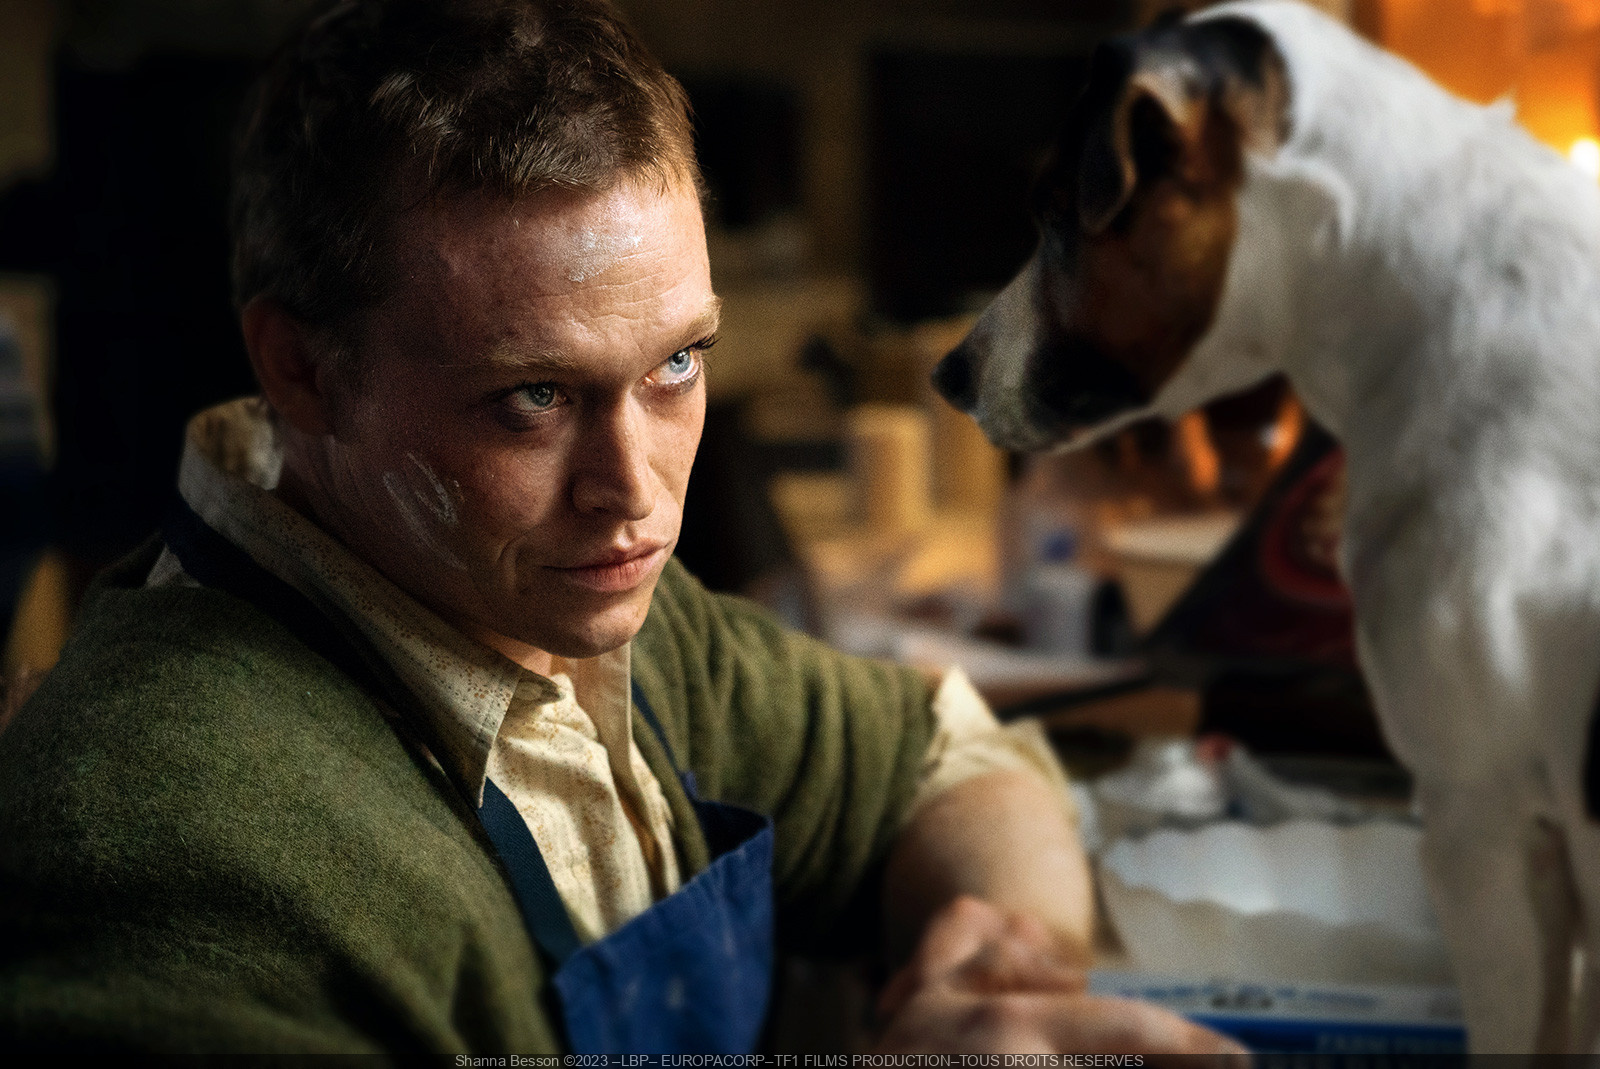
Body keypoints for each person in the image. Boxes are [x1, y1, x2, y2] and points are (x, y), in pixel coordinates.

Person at [0, 0, 1245, 1059]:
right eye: (533, 398)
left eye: (676, 366)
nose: (634, 490)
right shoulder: (167, 854)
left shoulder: (571, 614)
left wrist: (1000, 980)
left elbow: (940, 753)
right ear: (302, 371)